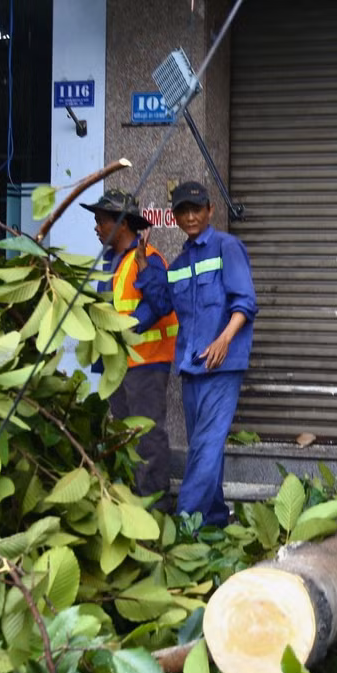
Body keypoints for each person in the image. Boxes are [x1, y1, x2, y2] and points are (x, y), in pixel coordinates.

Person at [133, 181, 257, 528]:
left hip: (221, 366)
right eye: (183, 211)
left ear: (210, 211)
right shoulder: (179, 263)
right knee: (204, 447)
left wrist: (224, 340)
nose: (190, 217)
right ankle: (215, 518)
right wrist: (143, 264)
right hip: (191, 369)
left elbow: (245, 302)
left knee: (204, 446)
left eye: (196, 210)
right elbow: (161, 304)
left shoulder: (227, 247)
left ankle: (186, 524)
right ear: (174, 217)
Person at [80, 189, 179, 508]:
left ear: (122, 225)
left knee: (146, 436)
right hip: (118, 365)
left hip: (145, 365)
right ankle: (135, 502)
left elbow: (161, 304)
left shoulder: (147, 258)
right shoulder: (110, 261)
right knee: (125, 437)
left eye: (101, 221)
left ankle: (156, 506)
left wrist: (121, 329)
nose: (96, 228)